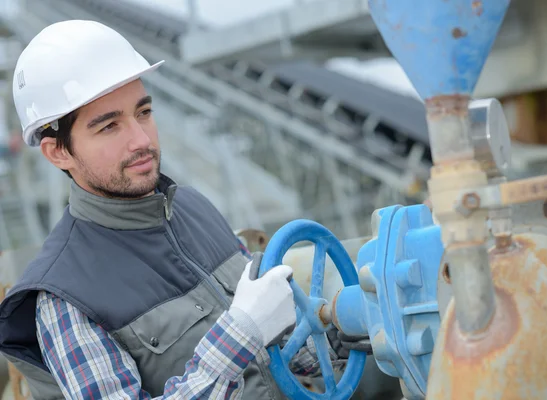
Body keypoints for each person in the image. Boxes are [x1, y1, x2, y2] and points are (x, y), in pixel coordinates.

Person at [0, 20, 370, 399]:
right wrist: (239, 334)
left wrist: (346, 327)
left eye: (143, 113)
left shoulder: (194, 209)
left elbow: (283, 351)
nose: (142, 140)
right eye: (109, 127)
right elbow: (248, 336)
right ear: (58, 152)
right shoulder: (64, 296)